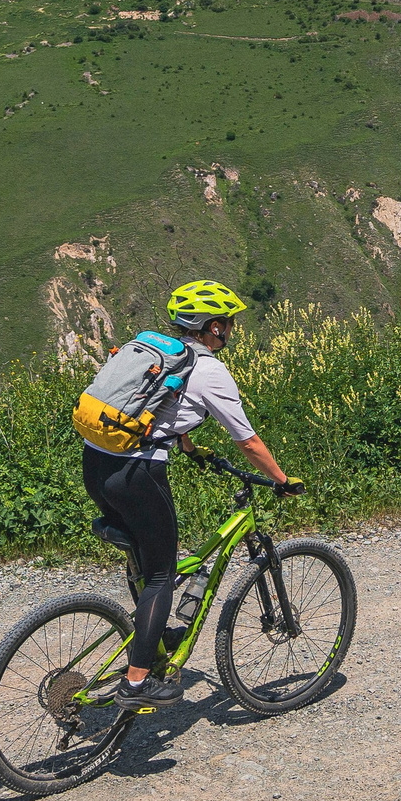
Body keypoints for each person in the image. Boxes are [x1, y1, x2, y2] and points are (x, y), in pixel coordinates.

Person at [82, 279, 297, 704]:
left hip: (96, 463)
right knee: (162, 575)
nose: (232, 329)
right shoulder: (209, 370)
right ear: (213, 327)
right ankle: (138, 683)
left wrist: (187, 443)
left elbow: (156, 406)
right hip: (137, 473)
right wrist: (282, 480)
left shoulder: (160, 353)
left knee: (148, 563)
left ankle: (154, 638)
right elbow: (248, 442)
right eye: (229, 322)